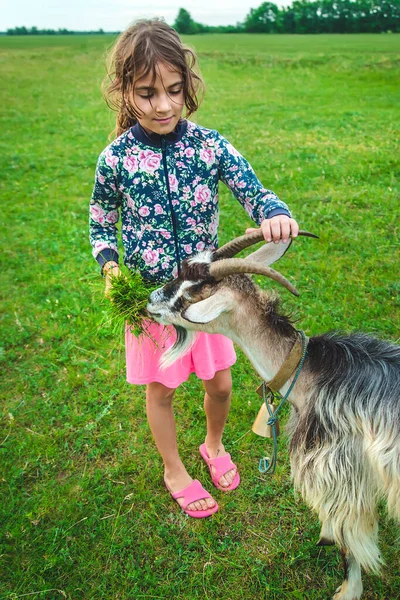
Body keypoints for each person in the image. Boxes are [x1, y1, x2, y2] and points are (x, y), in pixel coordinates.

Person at [89, 19, 299, 518]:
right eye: (147, 93)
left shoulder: (209, 145)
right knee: (160, 391)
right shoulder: (115, 159)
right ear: (124, 91)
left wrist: (272, 213)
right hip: (152, 301)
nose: (162, 105)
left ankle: (213, 443)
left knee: (220, 384)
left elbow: (254, 189)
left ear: (188, 87)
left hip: (206, 295)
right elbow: (101, 225)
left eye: (173, 91)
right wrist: (111, 268)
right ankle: (173, 469)